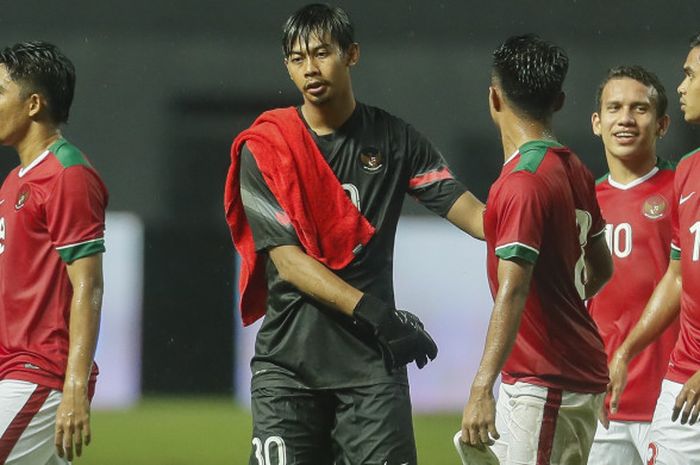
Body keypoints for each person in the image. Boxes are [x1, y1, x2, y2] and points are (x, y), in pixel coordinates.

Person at [223, 4, 485, 464]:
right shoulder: (267, 147)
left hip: (370, 372)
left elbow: (476, 216)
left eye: (322, 53)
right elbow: (287, 261)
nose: (310, 69)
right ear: (287, 66)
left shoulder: (395, 140)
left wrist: (532, 208)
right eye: (298, 58)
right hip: (289, 369)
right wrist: (380, 316)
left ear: (352, 54)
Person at [459, 34, 614, 465]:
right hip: (553, 374)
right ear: (560, 100)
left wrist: (479, 388)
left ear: (494, 98)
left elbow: (513, 290)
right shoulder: (573, 167)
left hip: (547, 381)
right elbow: (602, 268)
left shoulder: (523, 182)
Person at [0, 42, 108, 464]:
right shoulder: (15, 181)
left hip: (40, 375)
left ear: (32, 104)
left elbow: (90, 285)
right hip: (15, 370)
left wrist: (75, 388)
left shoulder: (67, 175)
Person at [607, 32, 700, 465]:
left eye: (689, 75)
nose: (682, 87)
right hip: (663, 388)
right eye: (614, 108)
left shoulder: (670, 180)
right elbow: (678, 275)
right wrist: (623, 352)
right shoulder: (689, 172)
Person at [586, 66, 679, 465]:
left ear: (662, 124)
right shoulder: (583, 202)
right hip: (602, 399)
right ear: (596, 122)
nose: (625, 118)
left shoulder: (684, 190)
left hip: (674, 400)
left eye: (639, 108)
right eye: (614, 107)